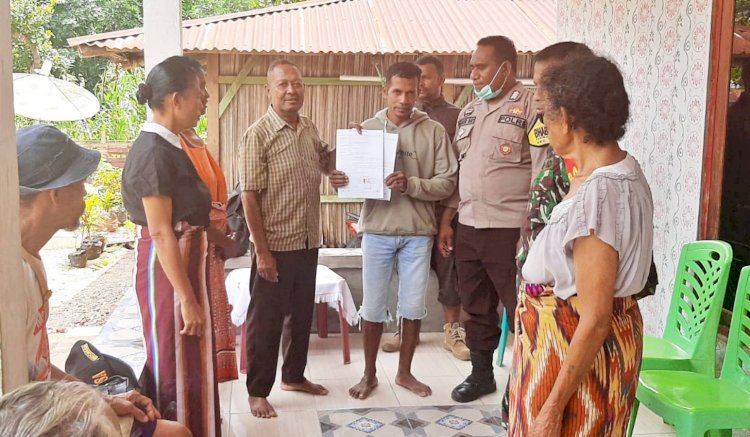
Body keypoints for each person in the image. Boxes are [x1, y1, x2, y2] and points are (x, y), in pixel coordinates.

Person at [508, 56, 653, 436]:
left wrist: (552, 408)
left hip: (571, 351)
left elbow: (595, 317)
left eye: (545, 115)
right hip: (561, 346)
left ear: (567, 119)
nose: (542, 125)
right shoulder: (617, 172)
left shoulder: (601, 193)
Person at [17, 125, 190, 437]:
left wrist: (103, 399)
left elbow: (37, 369)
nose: (86, 190)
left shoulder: (30, 260)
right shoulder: (11, 279)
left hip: (48, 407)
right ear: (55, 194)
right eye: (79, 181)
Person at [438, 35, 550, 403]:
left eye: (481, 66)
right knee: (476, 305)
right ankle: (481, 375)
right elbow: (461, 172)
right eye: (472, 66)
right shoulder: (469, 111)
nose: (473, 74)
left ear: (506, 68)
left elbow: (542, 172)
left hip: (510, 230)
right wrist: (449, 220)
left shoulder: (533, 106)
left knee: (522, 309)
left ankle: (522, 383)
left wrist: (530, 231)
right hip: (469, 226)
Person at [337, 61, 457, 400]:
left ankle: (405, 374)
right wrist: (343, 174)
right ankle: (369, 374)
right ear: (384, 91)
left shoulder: (433, 131)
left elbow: (448, 183)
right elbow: (352, 179)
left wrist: (411, 184)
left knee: (413, 305)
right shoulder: (365, 131)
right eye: (397, 91)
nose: (404, 99)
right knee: (373, 307)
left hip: (418, 233)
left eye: (410, 91)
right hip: (377, 230)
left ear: (419, 91)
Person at [122, 55, 219, 436]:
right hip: (168, 272)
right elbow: (162, 232)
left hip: (181, 267)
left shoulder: (172, 145)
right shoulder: (153, 152)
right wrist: (187, 298)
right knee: (174, 361)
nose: (205, 100)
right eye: (200, 93)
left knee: (190, 361)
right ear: (176, 99)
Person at [240, 59, 337, 419]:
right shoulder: (258, 134)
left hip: (308, 240)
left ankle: (294, 376)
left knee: (300, 316)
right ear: (269, 90)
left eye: (296, 84)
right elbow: (249, 195)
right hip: (275, 247)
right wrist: (261, 251)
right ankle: (257, 392)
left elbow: (325, 159)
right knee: (265, 320)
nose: (291, 90)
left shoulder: (309, 127)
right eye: (282, 85)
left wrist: (354, 145)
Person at [180, 124, 241, 383]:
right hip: (192, 253)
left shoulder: (194, 139)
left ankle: (207, 405)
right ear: (176, 97)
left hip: (211, 250)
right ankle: (196, 405)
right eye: (198, 88)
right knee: (195, 331)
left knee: (211, 330)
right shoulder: (173, 146)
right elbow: (189, 215)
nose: (205, 96)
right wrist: (223, 241)